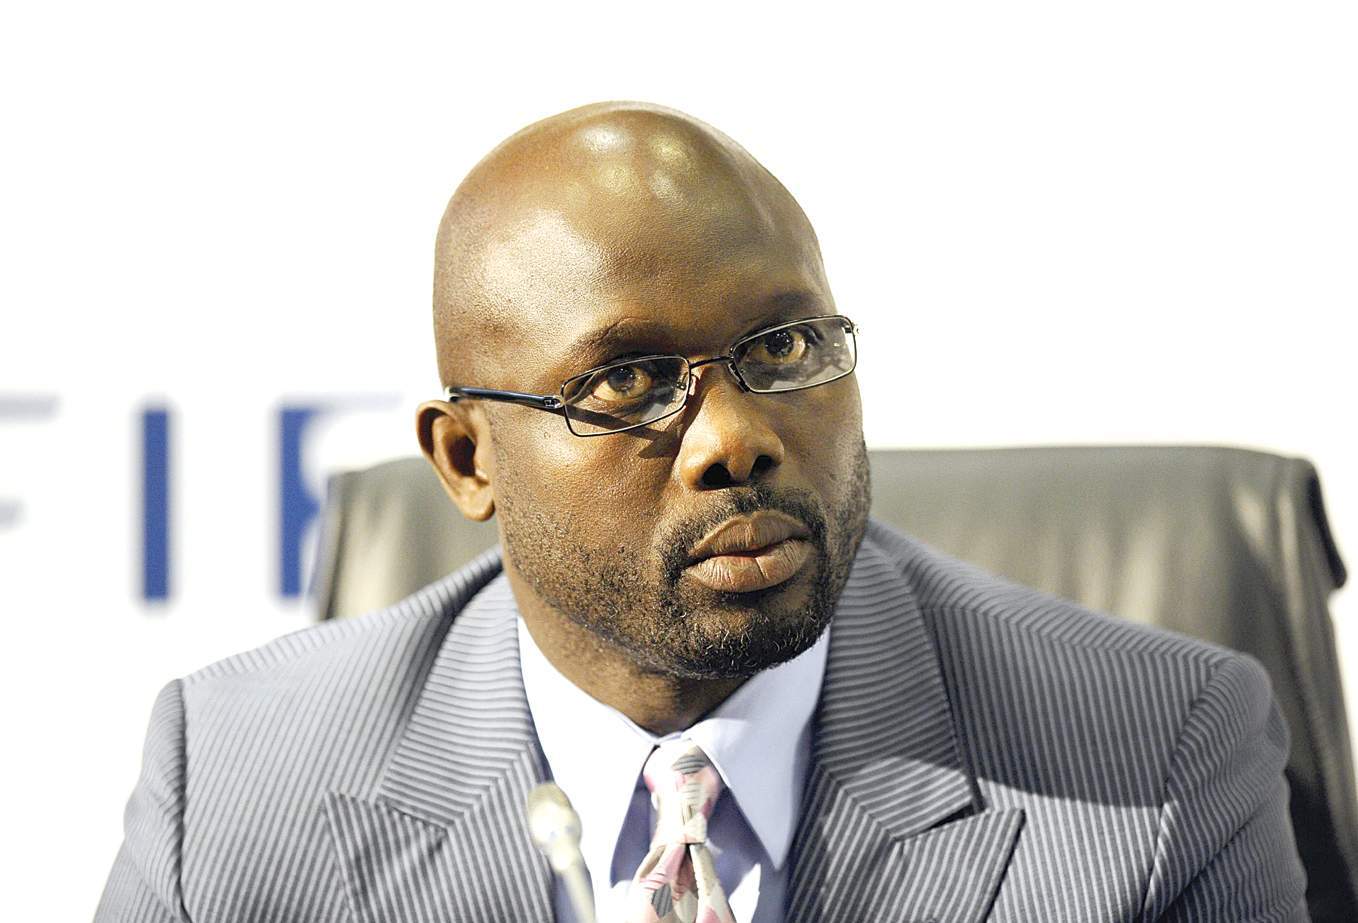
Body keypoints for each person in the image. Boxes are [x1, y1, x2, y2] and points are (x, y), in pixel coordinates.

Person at [96, 101, 1309, 922]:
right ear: (467, 459)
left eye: (781, 347)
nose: (735, 437)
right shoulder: (236, 784)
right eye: (626, 380)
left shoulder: (1153, 755)